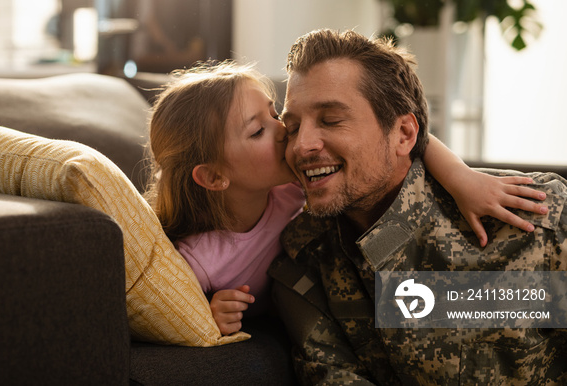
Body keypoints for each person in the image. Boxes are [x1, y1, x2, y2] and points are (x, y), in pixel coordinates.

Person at [143, 60, 548, 336]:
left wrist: (463, 179)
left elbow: (406, 136)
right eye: (258, 131)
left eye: (275, 115)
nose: (288, 133)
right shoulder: (199, 259)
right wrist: (207, 315)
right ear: (214, 176)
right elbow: (158, 310)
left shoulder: (288, 187)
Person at [269, 28, 567, 384]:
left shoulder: (532, 216)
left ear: (404, 135)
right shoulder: (304, 263)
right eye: (291, 127)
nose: (301, 145)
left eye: (331, 120)